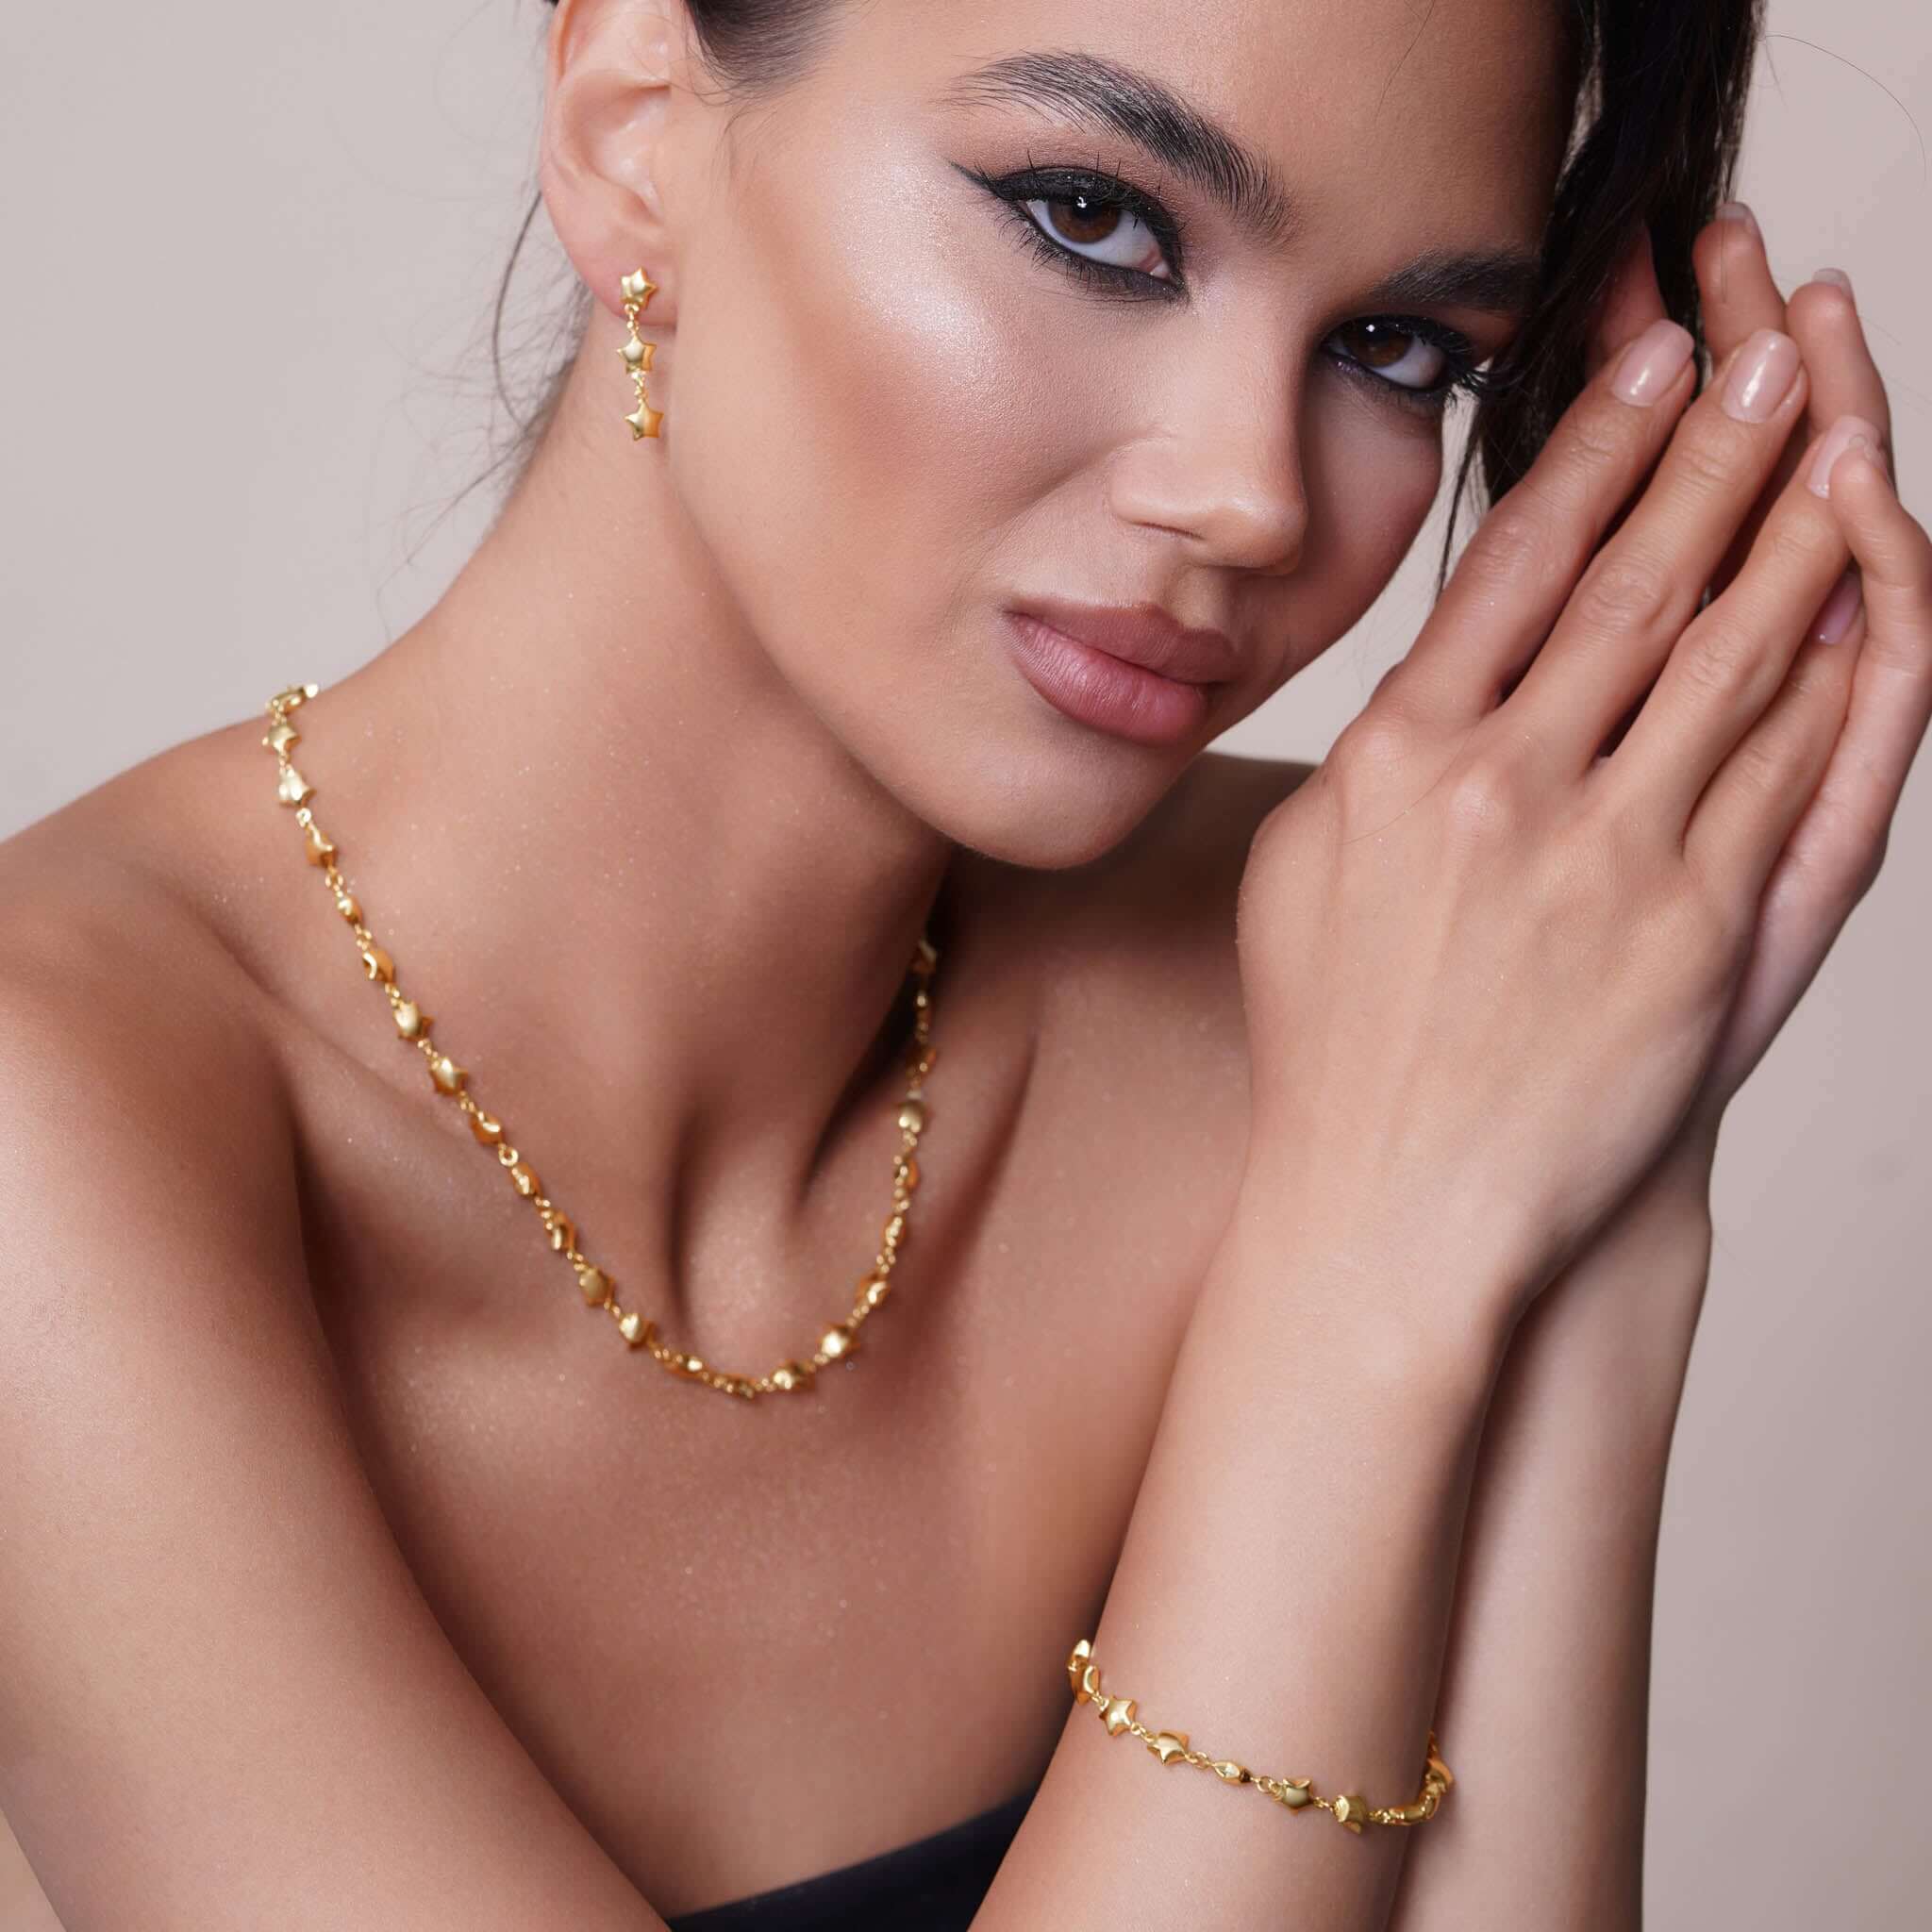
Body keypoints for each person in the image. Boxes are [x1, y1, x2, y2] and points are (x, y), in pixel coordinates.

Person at [0, 0, 1924, 1926]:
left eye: (1394, 345)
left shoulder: (1387, 983)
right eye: (1094, 217)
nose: (1250, 493)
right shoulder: (65, 1121)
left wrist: (1614, 1163)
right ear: (631, 125)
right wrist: (1360, 1295)